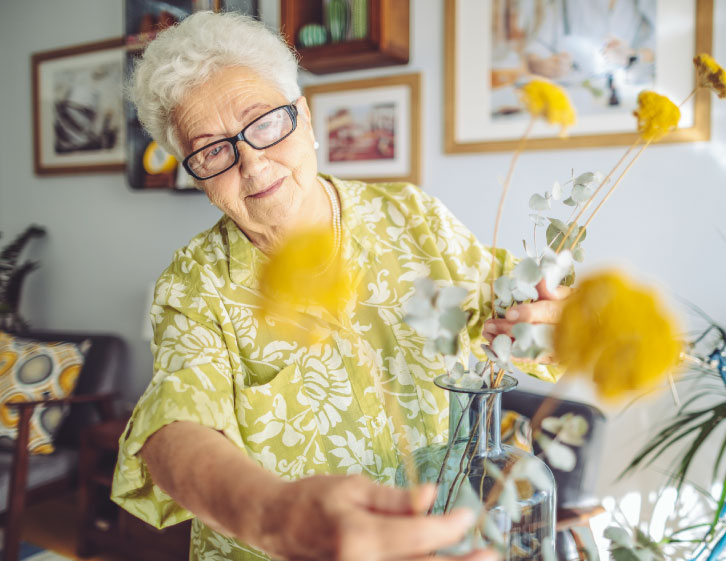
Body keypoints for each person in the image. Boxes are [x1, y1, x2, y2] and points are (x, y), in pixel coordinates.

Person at [111, 11, 565, 561]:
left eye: (265, 123)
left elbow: (524, 313)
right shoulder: (194, 284)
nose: (252, 164)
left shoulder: (413, 218)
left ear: (303, 116)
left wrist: (549, 321)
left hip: (431, 540)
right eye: (211, 150)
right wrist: (271, 515)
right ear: (194, 172)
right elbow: (174, 426)